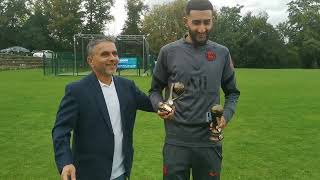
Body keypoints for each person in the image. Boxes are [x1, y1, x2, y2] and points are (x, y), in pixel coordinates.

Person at [149, 0, 240, 179]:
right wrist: (160, 105)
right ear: (186, 21)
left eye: (207, 22)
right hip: (176, 141)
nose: (202, 28)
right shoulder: (168, 52)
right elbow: (154, 90)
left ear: (212, 20)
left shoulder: (222, 53)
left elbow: (232, 93)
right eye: (196, 22)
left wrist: (226, 115)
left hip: (209, 142)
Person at [52, 37, 154, 180]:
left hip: (121, 173)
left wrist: (171, 93)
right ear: (90, 61)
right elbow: (61, 130)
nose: (113, 58)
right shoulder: (77, 91)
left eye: (115, 53)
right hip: (90, 173)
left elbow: (153, 104)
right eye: (105, 54)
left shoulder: (127, 86)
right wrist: (66, 162)